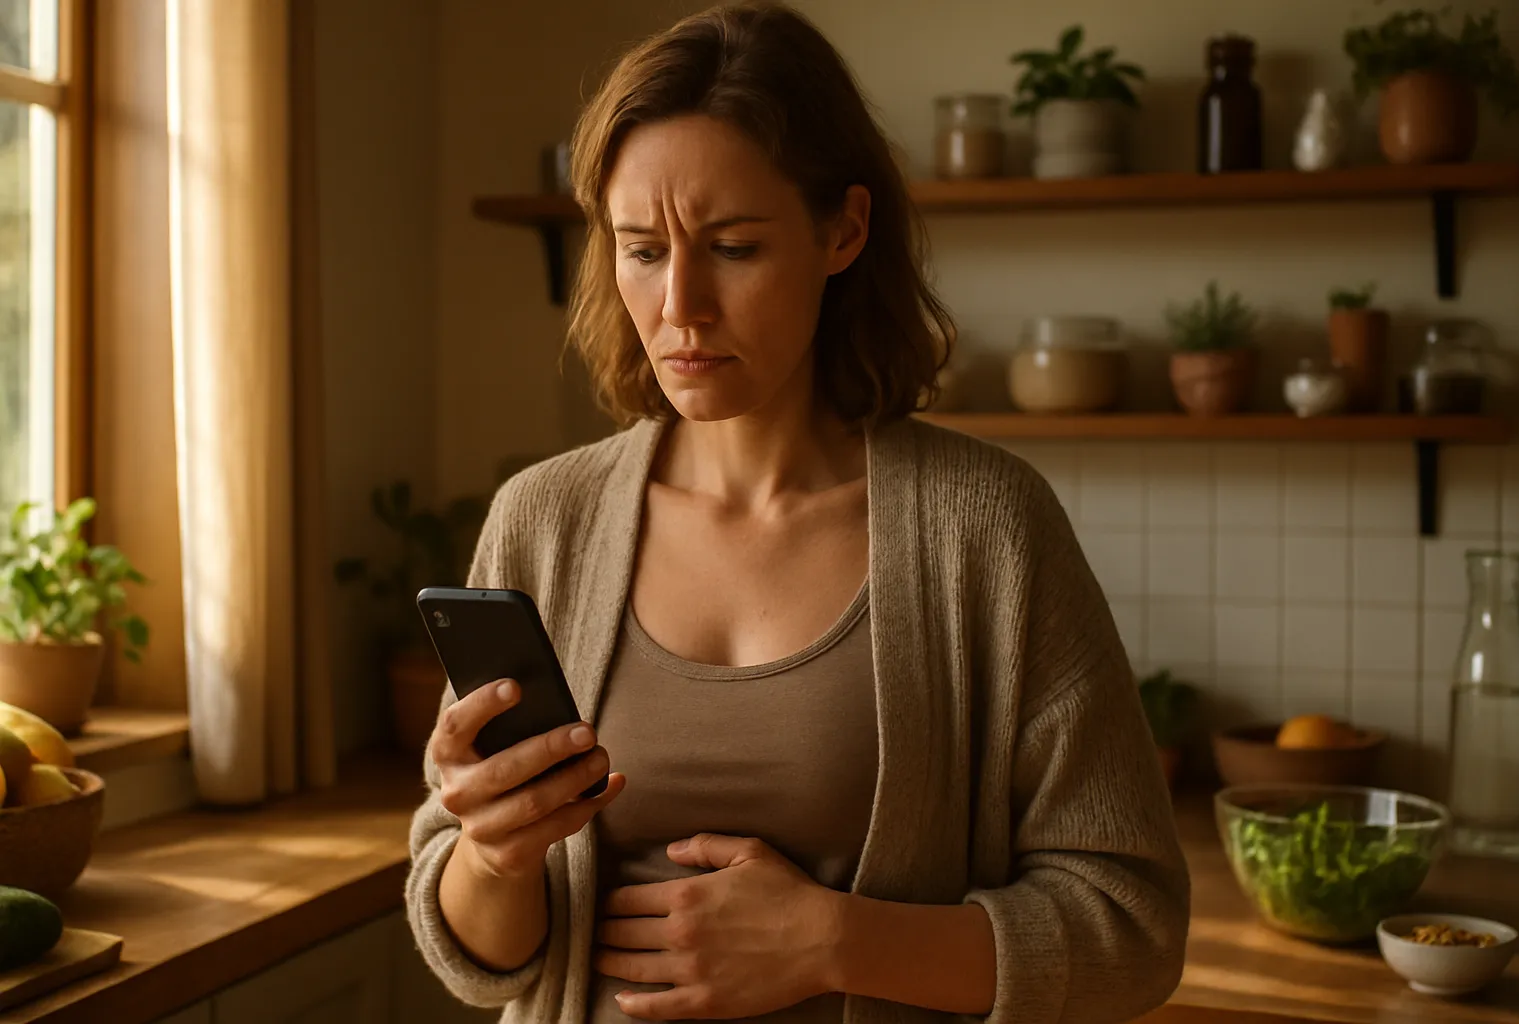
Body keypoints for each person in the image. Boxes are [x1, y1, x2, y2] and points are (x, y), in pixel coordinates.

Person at [405, 3, 1190, 1022]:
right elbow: (478, 959)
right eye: (642, 249)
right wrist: (493, 851)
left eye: (731, 246)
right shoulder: (541, 521)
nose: (681, 304)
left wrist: (835, 941)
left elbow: (1132, 929)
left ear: (843, 231)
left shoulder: (989, 528)